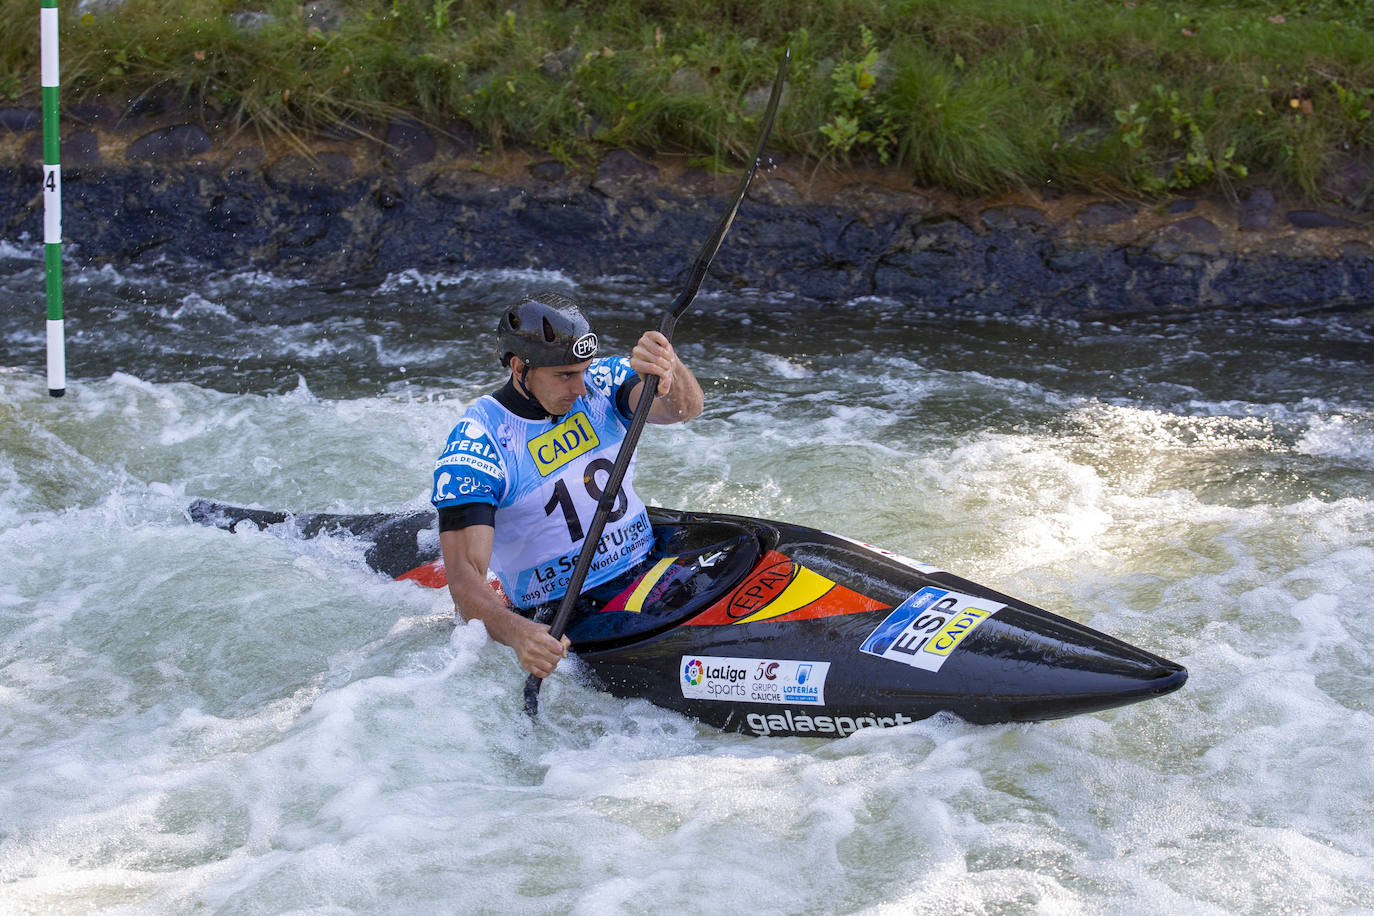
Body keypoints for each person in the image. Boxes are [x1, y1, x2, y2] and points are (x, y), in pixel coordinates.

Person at [431, 291, 704, 678]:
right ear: (518, 367)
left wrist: (668, 369)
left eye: (582, 370)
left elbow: (684, 409)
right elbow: (464, 581)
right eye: (565, 375)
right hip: (571, 609)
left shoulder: (601, 382)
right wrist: (520, 634)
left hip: (648, 567)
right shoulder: (478, 447)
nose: (580, 388)